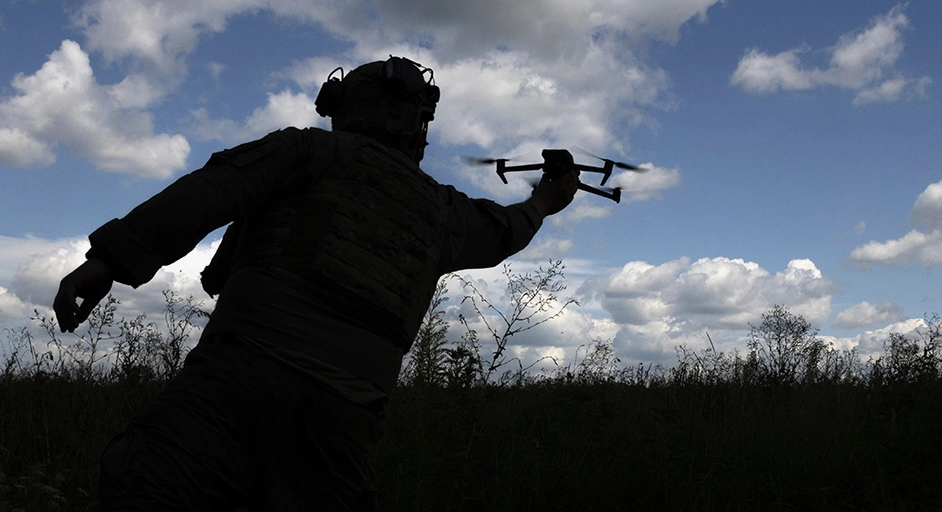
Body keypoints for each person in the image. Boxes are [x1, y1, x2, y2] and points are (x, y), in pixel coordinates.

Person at [53, 56, 578, 511]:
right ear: (418, 123)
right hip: (341, 422)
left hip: (232, 385)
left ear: (345, 107)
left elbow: (212, 190)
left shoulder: (307, 153)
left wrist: (108, 261)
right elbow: (507, 229)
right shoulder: (444, 211)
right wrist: (545, 201)